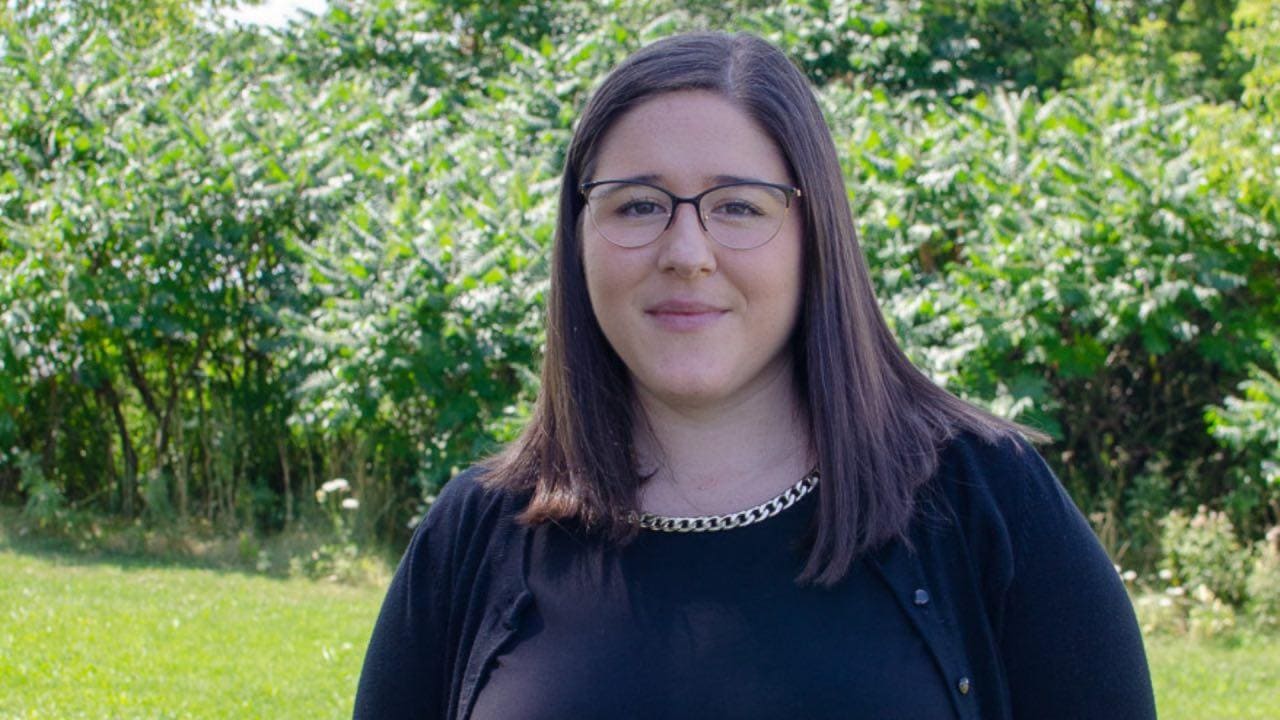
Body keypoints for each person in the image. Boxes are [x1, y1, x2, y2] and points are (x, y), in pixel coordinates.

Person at [354, 31, 1156, 720]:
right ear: (579, 235)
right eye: (637, 204)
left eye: (739, 206)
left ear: (815, 234)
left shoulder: (986, 504)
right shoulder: (474, 536)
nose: (686, 253)